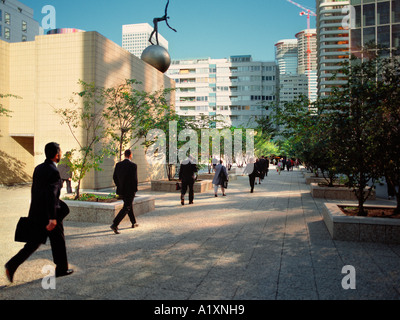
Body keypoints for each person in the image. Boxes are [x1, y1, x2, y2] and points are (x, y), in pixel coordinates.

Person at [5, 142, 73, 283]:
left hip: (37, 213)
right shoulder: (53, 171)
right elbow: (52, 195)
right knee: (58, 239)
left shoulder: (38, 168)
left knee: (33, 244)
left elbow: (36, 192)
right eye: (59, 152)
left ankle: (11, 265)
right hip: (50, 215)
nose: (60, 154)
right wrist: (53, 218)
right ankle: (61, 269)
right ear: (56, 155)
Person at [110, 150, 138, 234]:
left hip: (121, 190)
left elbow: (114, 177)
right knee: (127, 207)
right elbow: (134, 179)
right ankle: (115, 224)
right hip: (130, 191)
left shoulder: (118, 165)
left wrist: (119, 185)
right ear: (130, 155)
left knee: (128, 205)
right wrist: (135, 189)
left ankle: (133, 222)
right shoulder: (133, 165)